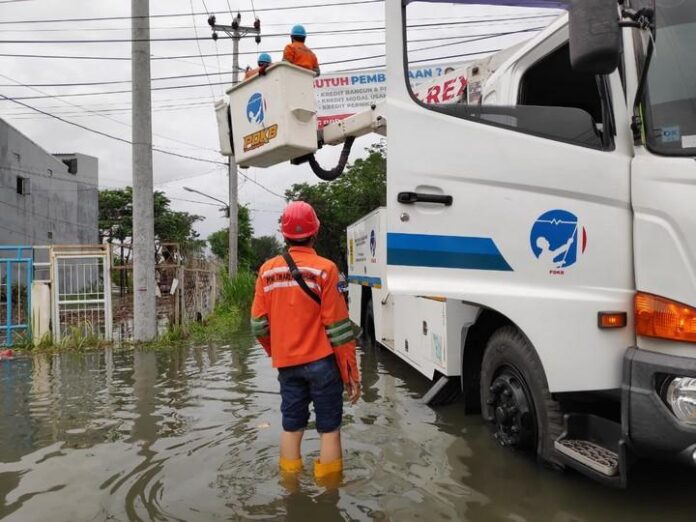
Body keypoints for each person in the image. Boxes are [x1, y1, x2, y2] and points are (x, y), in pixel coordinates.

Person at [250, 201, 361, 484]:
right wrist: (351, 374)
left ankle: (290, 490)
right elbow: (338, 328)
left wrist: (279, 352)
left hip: (288, 365)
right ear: (316, 232)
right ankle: (329, 496)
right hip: (323, 364)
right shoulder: (326, 270)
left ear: (283, 234)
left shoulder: (266, 271)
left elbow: (258, 325)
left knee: (291, 426)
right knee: (330, 429)